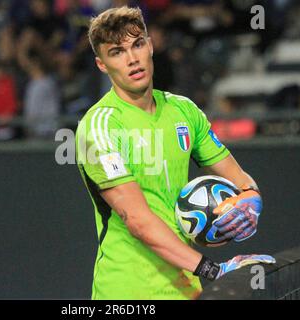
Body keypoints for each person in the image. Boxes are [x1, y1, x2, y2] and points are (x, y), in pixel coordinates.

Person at [76, 6, 275, 300]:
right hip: (127, 293)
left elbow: (241, 180)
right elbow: (137, 220)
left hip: (187, 290)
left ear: (151, 46)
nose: (132, 59)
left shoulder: (184, 111)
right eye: (117, 52)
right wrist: (213, 271)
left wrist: (251, 202)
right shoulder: (98, 127)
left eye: (138, 44)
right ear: (102, 64)